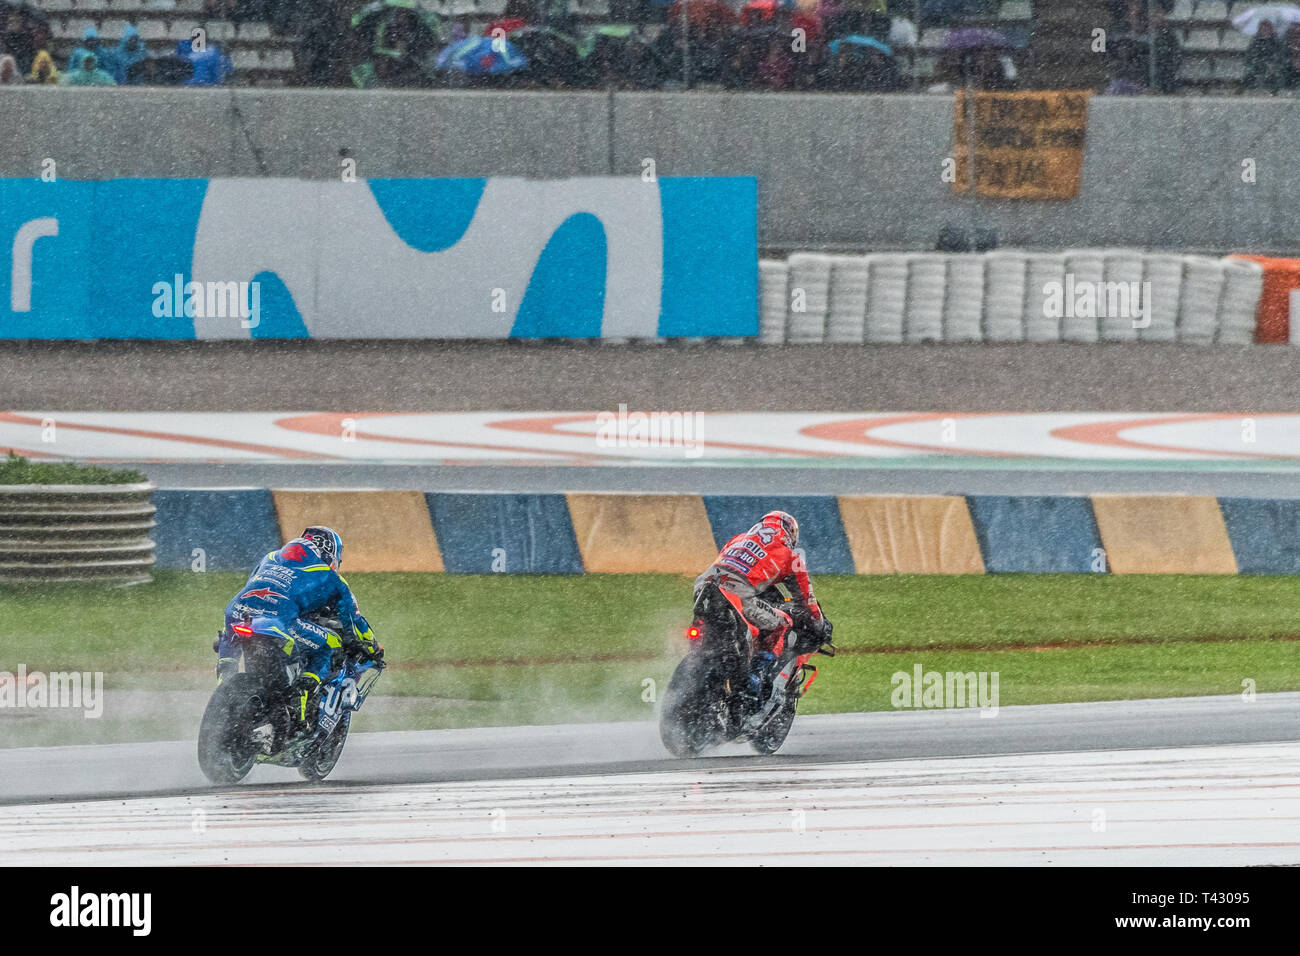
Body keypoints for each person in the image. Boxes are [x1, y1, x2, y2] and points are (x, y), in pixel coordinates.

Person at [219, 527, 383, 734]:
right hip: (281, 620)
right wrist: (373, 646)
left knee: (228, 637)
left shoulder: (269, 558)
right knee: (330, 645)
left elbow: (257, 584)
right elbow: (353, 621)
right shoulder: (331, 578)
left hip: (239, 611)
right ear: (330, 555)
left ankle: (224, 678)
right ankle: (300, 700)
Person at [693, 511, 832, 703]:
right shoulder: (791, 557)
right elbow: (807, 600)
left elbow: (732, 565)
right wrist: (820, 624)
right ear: (789, 533)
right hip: (738, 595)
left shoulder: (738, 539)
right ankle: (756, 675)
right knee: (783, 623)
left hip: (704, 585)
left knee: (704, 630)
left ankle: (700, 659)